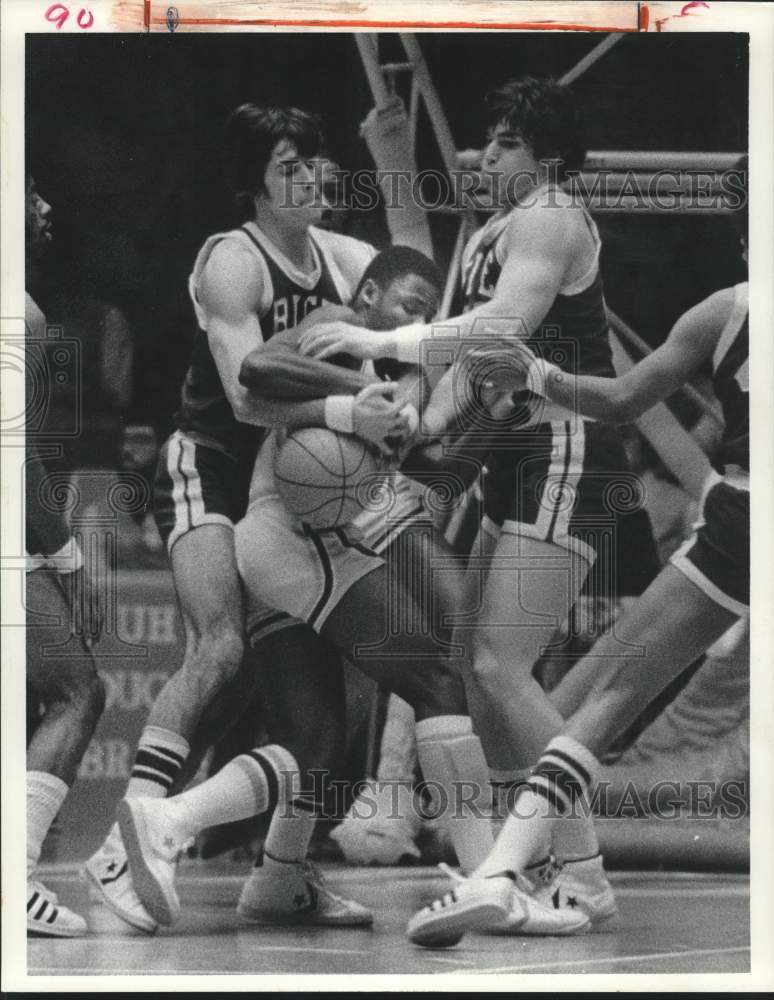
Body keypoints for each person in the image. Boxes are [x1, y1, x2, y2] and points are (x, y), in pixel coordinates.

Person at [299, 77, 658, 933]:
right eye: (487, 140)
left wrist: (377, 340)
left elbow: (498, 327)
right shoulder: (502, 227)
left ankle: (583, 874)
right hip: (517, 459)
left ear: (545, 155)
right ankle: (524, 862)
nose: (484, 155)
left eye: (503, 141)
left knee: (500, 666)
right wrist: (417, 418)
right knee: (473, 663)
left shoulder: (553, 214)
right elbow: (474, 360)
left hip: (565, 457)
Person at [84, 104, 404, 933]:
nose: (310, 178)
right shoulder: (234, 258)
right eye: (289, 165)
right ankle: (132, 836)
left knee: (329, 702)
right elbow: (246, 395)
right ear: (251, 182)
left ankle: (285, 872)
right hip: (215, 466)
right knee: (219, 645)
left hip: (290, 492)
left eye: (316, 162)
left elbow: (414, 317)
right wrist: (346, 411)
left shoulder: (350, 258)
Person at [407, 220, 750, 946]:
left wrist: (535, 377)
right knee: (498, 668)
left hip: (737, 516)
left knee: (594, 696)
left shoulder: (727, 308)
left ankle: (516, 871)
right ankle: (521, 870)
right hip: (719, 509)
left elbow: (624, 399)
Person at [25, 175, 105, 936]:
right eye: (29, 192)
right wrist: (70, 561)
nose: (47, 207)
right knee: (78, 690)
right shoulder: (22, 315)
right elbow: (17, 465)